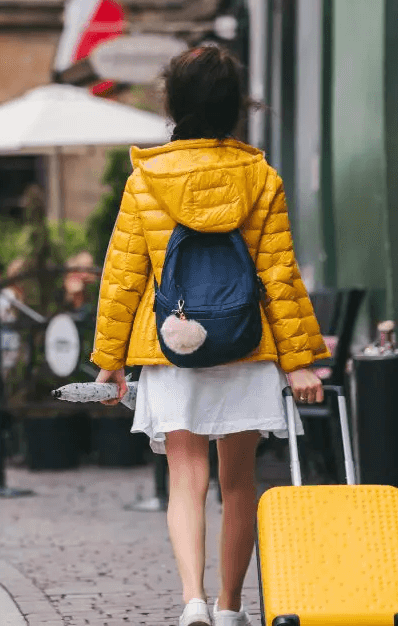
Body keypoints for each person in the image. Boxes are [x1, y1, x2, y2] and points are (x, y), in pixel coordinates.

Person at [91, 45, 331, 626]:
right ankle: (229, 607)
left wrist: (109, 358)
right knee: (239, 481)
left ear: (173, 105)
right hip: (246, 345)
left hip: (171, 349)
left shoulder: (146, 177)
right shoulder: (261, 177)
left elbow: (123, 275)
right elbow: (278, 273)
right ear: (235, 108)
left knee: (185, 476)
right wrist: (299, 360)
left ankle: (191, 601)